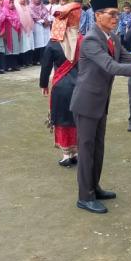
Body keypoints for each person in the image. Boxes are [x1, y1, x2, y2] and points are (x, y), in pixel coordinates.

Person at [69, 0, 131, 214]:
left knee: (98, 148)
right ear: (98, 16)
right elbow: (110, 66)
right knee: (86, 150)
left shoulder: (113, 37)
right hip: (86, 102)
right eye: (111, 14)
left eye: (117, 14)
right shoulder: (91, 39)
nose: (116, 18)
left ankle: (94, 187)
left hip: (101, 101)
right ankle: (84, 196)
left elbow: (127, 59)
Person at [39, 20, 82, 167]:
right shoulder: (80, 41)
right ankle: (76, 152)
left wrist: (43, 84)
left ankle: (66, 155)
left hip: (61, 86)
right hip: (79, 85)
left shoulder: (53, 43)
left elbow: (45, 66)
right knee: (76, 118)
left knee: (62, 120)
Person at [30, 0, 50, 65]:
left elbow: (47, 14)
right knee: (37, 43)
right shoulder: (31, 7)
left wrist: (46, 21)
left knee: (44, 43)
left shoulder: (43, 6)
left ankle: (43, 59)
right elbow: (34, 16)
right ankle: (36, 60)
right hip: (36, 27)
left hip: (45, 27)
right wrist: (43, 21)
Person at [2, 0, 21, 71]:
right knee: (8, 49)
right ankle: (8, 66)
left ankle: (14, 65)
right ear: (6, 3)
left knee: (15, 48)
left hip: (15, 31)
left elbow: (18, 21)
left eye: (12, 2)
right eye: (9, 3)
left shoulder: (15, 11)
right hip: (8, 32)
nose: (11, 4)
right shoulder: (3, 11)